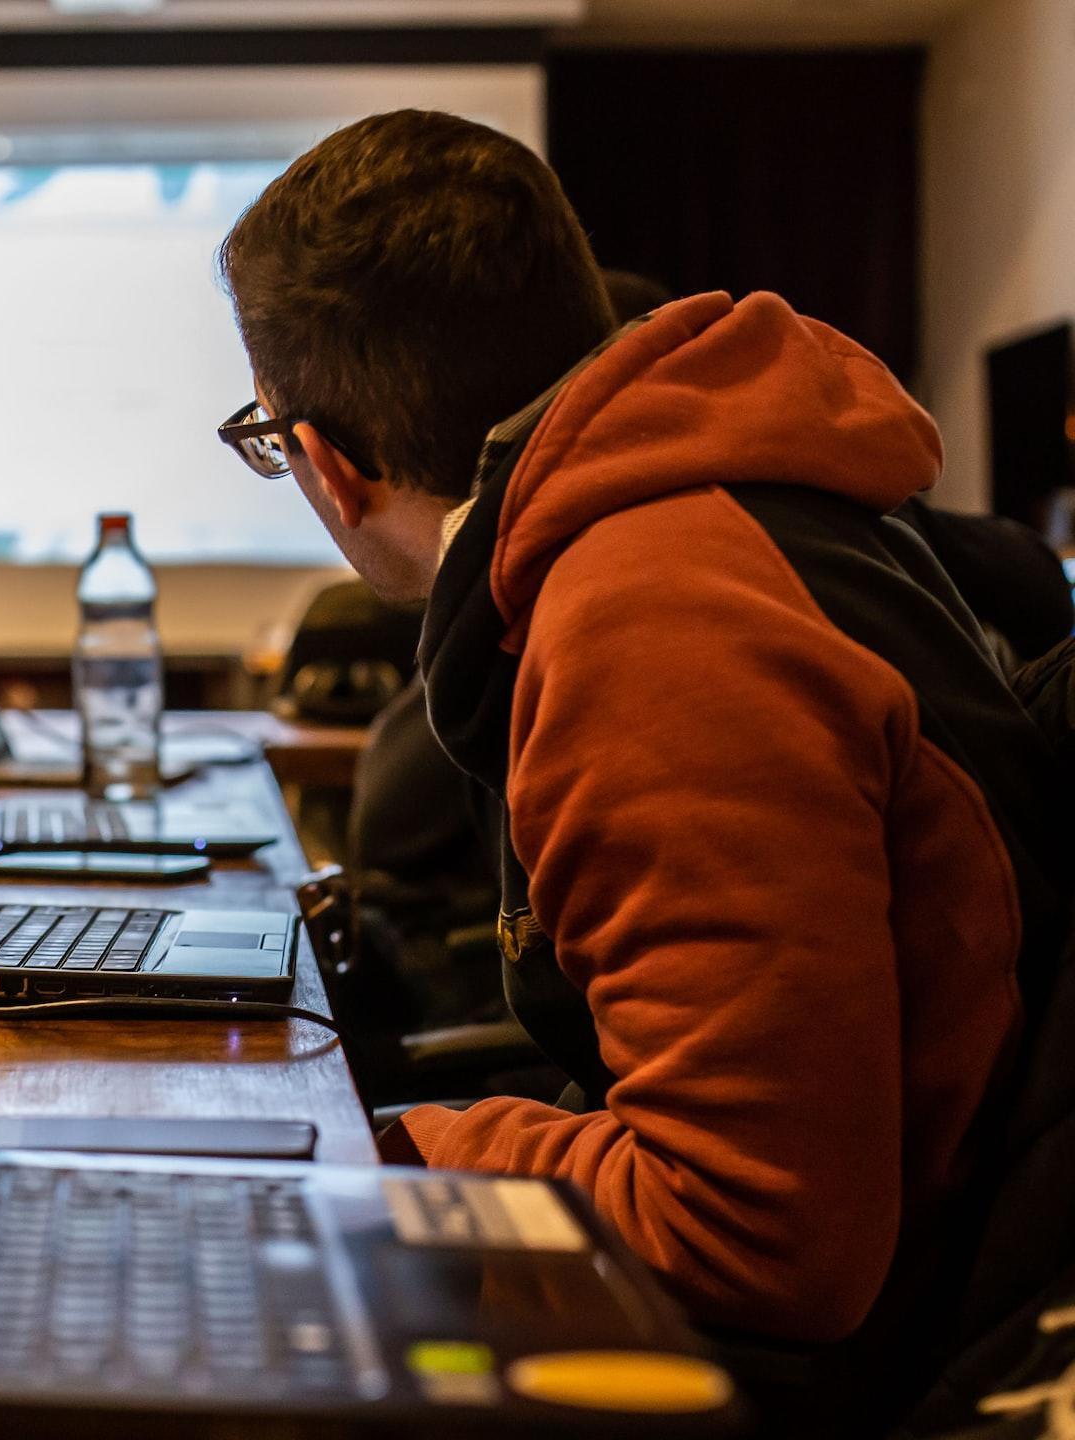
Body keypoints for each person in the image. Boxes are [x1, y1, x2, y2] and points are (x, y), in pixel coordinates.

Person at [215, 109, 1068, 1412]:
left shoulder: (651, 616)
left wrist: (400, 1148)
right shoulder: (711, 500)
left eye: (269, 442)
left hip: (872, 1345)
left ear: (327, 467)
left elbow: (759, 1240)